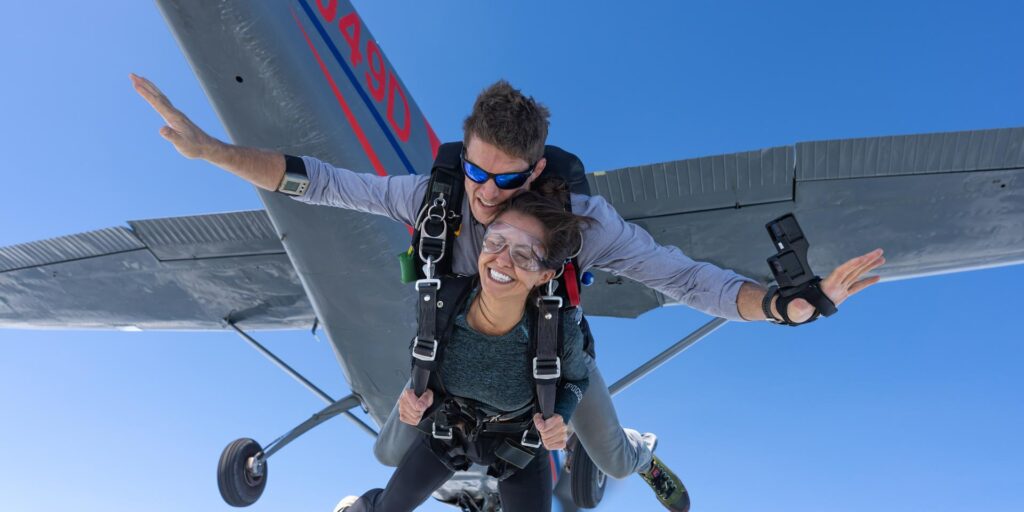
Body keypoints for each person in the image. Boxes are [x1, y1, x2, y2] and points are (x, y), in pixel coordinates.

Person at [132, 74, 885, 512]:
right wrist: (212, 152)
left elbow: (687, 278)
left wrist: (786, 305)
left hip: (551, 364)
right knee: (390, 438)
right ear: (464, 154)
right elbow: (323, 183)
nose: (485, 195)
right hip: (458, 358)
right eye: (476, 172)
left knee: (613, 464)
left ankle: (643, 454)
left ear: (534, 173)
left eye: (505, 179)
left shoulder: (584, 224)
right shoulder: (433, 196)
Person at [336, 185, 591, 512]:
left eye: (523, 254)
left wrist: (561, 415)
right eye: (496, 241)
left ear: (546, 274)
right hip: (448, 434)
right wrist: (417, 395)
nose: (502, 259)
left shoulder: (558, 332)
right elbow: (423, 353)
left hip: (519, 446)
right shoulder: (440, 302)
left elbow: (577, 381)